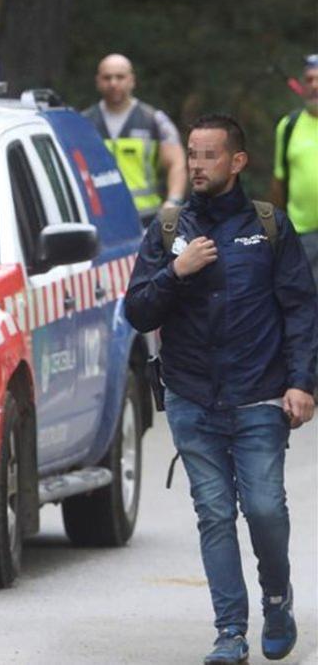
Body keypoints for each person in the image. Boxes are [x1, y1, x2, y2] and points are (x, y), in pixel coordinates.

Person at [125, 114, 317, 664]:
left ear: (237, 162)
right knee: (213, 513)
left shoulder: (270, 227)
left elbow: (302, 311)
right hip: (191, 398)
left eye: (209, 155)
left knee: (264, 509)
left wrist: (303, 383)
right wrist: (175, 272)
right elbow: (138, 311)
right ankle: (229, 633)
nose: (197, 165)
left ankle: (276, 599)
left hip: (260, 396)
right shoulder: (167, 230)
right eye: (191, 154)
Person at [84, 54, 188, 225]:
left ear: (132, 80)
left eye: (120, 77)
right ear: (98, 81)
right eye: (107, 77)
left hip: (146, 219)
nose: (113, 83)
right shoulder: (84, 123)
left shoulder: (154, 120)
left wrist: (173, 202)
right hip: (99, 219)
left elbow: (177, 163)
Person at [270, 54, 318, 286]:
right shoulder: (288, 126)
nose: (315, 86)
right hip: (301, 234)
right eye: (309, 80)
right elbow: (279, 180)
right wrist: (278, 229)